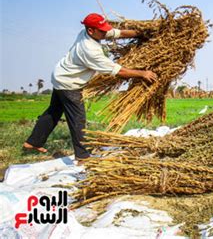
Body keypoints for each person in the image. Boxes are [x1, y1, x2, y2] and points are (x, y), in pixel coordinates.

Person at [23, 13, 157, 162]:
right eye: (102, 30)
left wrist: (143, 33)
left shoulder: (90, 33)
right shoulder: (89, 50)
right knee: (78, 120)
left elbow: (118, 33)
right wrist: (143, 73)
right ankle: (82, 156)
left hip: (61, 76)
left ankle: (33, 142)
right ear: (91, 30)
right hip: (69, 83)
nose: (105, 32)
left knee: (54, 111)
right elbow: (119, 71)